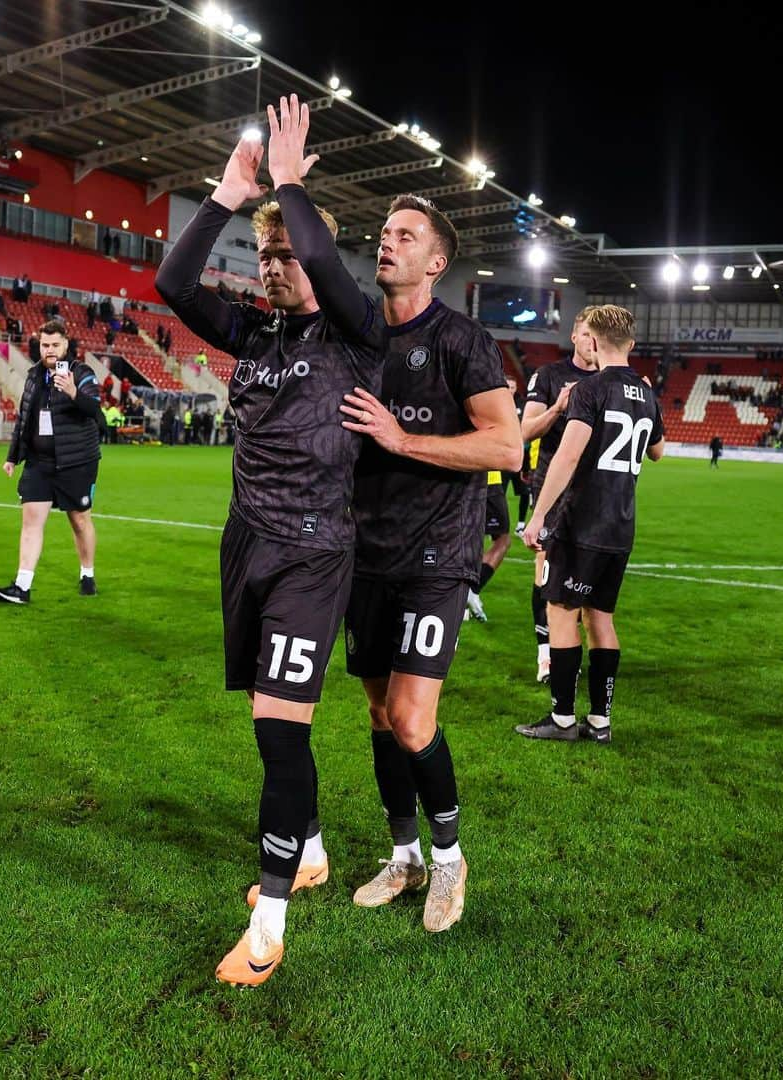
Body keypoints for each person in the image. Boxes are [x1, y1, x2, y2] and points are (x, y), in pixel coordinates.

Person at [261, 100, 523, 935]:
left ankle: (450, 860)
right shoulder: (363, 334)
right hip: (359, 556)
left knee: (414, 718)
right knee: (378, 716)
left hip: (435, 559)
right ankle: (403, 855)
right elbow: (315, 263)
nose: (387, 242)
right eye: (383, 232)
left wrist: (401, 440)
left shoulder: (463, 342)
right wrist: (287, 189)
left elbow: (507, 450)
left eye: (406, 236)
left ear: (437, 261)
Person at [154, 105, 384, 987]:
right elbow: (174, 286)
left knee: (280, 734)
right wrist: (223, 199)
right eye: (268, 255)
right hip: (245, 543)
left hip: (314, 552)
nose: (277, 267)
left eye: (289, 254)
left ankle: (272, 925)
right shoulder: (254, 334)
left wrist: (291, 189)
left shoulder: (357, 334)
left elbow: (325, 259)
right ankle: (315, 847)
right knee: (268, 723)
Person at [517, 304, 664, 745]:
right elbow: (659, 452)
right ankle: (600, 721)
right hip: (622, 526)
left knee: (560, 612)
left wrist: (539, 515)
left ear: (594, 342)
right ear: (631, 345)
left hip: (583, 523)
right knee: (601, 619)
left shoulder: (589, 388)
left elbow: (567, 454)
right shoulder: (645, 391)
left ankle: (562, 718)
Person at [0, 320, 103, 603]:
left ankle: (87, 573)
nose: (49, 350)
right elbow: (24, 420)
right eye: (44, 345)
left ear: (66, 344)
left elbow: (95, 410)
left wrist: (74, 392)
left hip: (76, 462)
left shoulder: (82, 373)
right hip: (39, 463)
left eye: (54, 345)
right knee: (31, 522)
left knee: (79, 521)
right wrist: (13, 457)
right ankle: (22, 587)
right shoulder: (33, 376)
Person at [520, 308, 599, 683]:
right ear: (573, 336)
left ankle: (570, 650)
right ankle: (546, 657)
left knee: (584, 580)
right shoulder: (549, 376)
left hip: (594, 494)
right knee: (546, 573)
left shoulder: (609, 381)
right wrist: (557, 409)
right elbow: (525, 431)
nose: (591, 342)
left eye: (597, 336)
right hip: (553, 489)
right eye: (585, 334)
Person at [464, 469, 512, 622]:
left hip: (458, 479)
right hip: (487, 478)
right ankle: (472, 590)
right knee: (503, 540)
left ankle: (458, 600)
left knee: (462, 539)